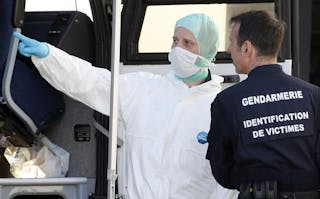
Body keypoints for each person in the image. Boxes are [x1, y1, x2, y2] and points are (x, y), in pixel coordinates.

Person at [14, 14, 238, 199]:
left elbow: (227, 184)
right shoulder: (143, 89)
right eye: (175, 40)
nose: (177, 49)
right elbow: (91, 81)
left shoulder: (221, 109)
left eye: (188, 43)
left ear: (207, 51)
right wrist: (49, 56)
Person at [206, 10, 320, 199]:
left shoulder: (227, 101)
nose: (228, 49)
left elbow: (222, 171)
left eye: (231, 42)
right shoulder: (314, 95)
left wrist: (250, 183)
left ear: (247, 48)